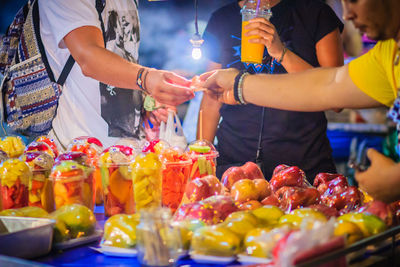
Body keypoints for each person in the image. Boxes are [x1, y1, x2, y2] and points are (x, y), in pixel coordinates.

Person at [201, 0, 400, 203]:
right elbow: (329, 85)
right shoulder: (388, 55)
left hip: (307, 164)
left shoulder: (314, 13)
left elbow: (330, 92)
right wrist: (239, 85)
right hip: (235, 162)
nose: (347, 14)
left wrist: (395, 179)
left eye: (354, 0)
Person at [198, 0, 344, 181]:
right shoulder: (222, 19)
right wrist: (201, 159)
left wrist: (281, 52)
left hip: (304, 167)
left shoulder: (316, 13)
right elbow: (211, 99)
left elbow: (338, 98)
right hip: (234, 167)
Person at [38, 0, 194, 149]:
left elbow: (123, 60)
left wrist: (144, 102)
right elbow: (89, 59)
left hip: (130, 150)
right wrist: (147, 79)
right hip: (79, 150)